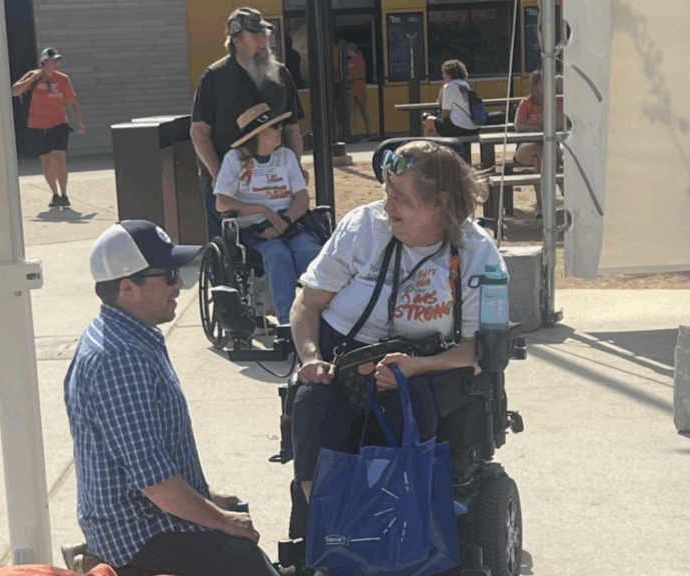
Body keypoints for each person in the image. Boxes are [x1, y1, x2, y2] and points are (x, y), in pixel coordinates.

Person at [289, 140, 507, 506]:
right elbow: (305, 304)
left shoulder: (477, 252)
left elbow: (477, 350)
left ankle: (400, 519)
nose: (388, 205)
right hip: (341, 360)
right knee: (313, 403)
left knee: (411, 402)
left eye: (402, 198)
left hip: (424, 366)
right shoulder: (363, 227)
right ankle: (328, 527)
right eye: (387, 192)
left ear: (440, 202)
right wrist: (310, 357)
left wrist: (416, 367)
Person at [63, 220, 281, 576]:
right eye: (168, 275)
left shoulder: (127, 336)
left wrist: (208, 497)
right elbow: (154, 482)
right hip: (137, 533)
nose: (180, 283)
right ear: (128, 288)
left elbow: (155, 462)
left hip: (144, 519)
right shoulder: (120, 359)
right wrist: (221, 520)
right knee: (246, 560)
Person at [190, 6, 305, 241]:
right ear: (236, 40)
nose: (264, 40)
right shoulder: (214, 77)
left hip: (275, 183)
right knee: (228, 248)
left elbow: (292, 127)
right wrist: (217, 173)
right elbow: (199, 131)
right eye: (256, 35)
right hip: (230, 181)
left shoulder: (282, 76)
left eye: (265, 34)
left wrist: (296, 168)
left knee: (287, 242)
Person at [214, 103, 322, 325]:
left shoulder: (286, 156)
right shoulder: (235, 159)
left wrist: (284, 221)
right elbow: (222, 202)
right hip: (255, 227)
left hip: (290, 220)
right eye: (275, 127)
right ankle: (287, 323)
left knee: (310, 254)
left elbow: (302, 197)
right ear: (259, 134)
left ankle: (323, 318)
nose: (280, 130)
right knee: (278, 256)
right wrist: (261, 209)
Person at [12, 47, 86, 209]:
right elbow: (15, 92)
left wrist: (79, 122)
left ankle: (64, 193)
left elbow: (72, 102)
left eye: (57, 61)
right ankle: (55, 194)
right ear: (44, 62)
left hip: (59, 123)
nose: (55, 64)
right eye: (52, 60)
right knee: (46, 162)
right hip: (37, 125)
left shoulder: (63, 79)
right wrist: (32, 79)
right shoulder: (33, 76)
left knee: (60, 157)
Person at [514, 68, 567, 217]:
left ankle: (541, 205)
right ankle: (560, 184)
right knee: (541, 150)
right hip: (526, 148)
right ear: (536, 85)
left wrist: (553, 104)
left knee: (542, 158)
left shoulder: (555, 102)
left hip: (548, 149)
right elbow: (519, 126)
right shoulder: (526, 103)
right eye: (544, 82)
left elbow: (559, 125)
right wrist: (540, 127)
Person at [424, 59, 480, 138]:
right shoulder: (465, 84)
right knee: (435, 133)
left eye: (444, 73)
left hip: (460, 127)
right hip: (474, 127)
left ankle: (425, 146)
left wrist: (445, 84)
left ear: (449, 74)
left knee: (429, 121)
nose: (442, 75)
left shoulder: (449, 87)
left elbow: (445, 113)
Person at [346, 44, 370, 136]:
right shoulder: (348, 61)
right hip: (351, 87)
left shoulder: (359, 59)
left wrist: (352, 77)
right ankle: (351, 133)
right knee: (351, 112)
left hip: (359, 86)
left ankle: (368, 131)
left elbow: (363, 74)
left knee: (363, 110)